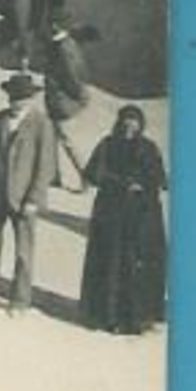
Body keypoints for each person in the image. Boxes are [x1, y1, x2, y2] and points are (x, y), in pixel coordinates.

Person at [0, 72, 60, 313]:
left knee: (24, 251)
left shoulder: (42, 124)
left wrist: (34, 198)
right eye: (13, 98)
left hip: (24, 197)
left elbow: (46, 166)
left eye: (22, 98)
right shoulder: (0, 119)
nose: (17, 102)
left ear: (31, 99)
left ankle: (20, 301)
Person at [79, 105, 167, 335]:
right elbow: (93, 174)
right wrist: (119, 183)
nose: (130, 126)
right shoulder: (107, 145)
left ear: (141, 124)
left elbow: (160, 178)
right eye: (126, 121)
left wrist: (143, 185)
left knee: (136, 264)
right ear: (119, 123)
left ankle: (138, 318)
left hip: (141, 217)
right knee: (110, 262)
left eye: (134, 121)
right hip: (111, 215)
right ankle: (107, 316)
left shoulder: (148, 148)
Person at [43, 10, 91, 188]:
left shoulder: (62, 47)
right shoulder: (67, 44)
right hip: (58, 98)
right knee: (54, 138)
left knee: (67, 141)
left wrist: (78, 95)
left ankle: (85, 176)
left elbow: (72, 74)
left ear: (55, 26)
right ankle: (55, 177)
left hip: (61, 100)